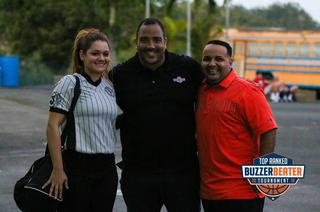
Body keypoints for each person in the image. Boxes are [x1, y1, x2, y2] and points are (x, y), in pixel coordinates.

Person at [109, 18, 202, 212]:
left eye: (156, 40)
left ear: (165, 42)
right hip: (138, 174)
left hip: (183, 173)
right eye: (144, 40)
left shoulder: (188, 68)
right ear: (136, 42)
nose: (151, 46)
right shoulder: (120, 75)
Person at [196, 40, 278, 212]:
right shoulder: (201, 90)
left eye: (219, 59)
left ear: (230, 62)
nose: (212, 64)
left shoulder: (247, 91)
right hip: (210, 191)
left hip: (242, 192)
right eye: (207, 59)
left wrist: (261, 176)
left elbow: (269, 130)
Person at [43, 28, 118, 212]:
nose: (102, 58)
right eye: (95, 53)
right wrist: (58, 170)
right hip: (77, 169)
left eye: (105, 54)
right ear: (82, 55)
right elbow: (53, 125)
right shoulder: (70, 83)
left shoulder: (110, 87)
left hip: (107, 169)